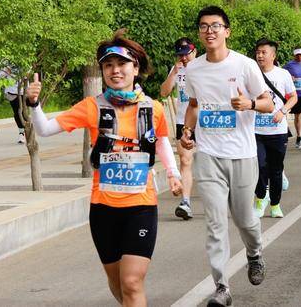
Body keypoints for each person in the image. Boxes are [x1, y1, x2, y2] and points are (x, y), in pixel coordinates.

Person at [26, 30, 183, 307]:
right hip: (103, 208)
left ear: (135, 68)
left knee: (132, 282)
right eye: (108, 65)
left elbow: (160, 142)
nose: (115, 71)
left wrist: (173, 173)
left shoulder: (153, 108)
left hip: (141, 205)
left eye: (121, 65)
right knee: (118, 284)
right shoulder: (92, 107)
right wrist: (34, 104)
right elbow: (44, 129)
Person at [180, 6, 273, 306]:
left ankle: (255, 253)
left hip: (242, 155)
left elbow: (268, 103)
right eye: (204, 26)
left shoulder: (245, 65)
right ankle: (221, 287)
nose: (210, 31)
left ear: (227, 31)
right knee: (216, 223)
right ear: (199, 32)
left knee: (246, 220)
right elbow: (194, 104)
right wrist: (187, 130)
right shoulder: (192, 69)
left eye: (216, 25)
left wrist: (249, 104)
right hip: (208, 155)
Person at [253, 38, 297, 218]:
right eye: (258, 52)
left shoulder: (283, 74)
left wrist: (283, 111)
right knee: (260, 166)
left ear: (273, 55)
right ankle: (259, 200)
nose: (260, 55)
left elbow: (293, 97)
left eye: (264, 52)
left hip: (277, 131)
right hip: (256, 131)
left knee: (276, 169)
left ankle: (276, 204)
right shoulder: (251, 73)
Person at [160, 37, 197, 220]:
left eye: (186, 54)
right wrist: (174, 73)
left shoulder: (204, 67)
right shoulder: (177, 69)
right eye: (180, 55)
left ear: (194, 51)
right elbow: (164, 92)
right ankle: (186, 202)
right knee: (185, 160)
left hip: (205, 120)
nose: (183, 58)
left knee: (212, 161)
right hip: (183, 122)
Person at [0, 64, 26, 144]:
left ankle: (26, 131)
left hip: (22, 90)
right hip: (11, 91)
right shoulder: (7, 61)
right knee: (17, 112)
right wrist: (8, 70)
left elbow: (27, 73)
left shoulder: (24, 58)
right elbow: (1, 75)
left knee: (24, 113)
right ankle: (21, 133)